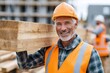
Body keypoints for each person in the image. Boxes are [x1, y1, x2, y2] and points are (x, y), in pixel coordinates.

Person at [16, 2, 104, 73]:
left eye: (67, 23)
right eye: (58, 24)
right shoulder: (49, 50)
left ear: (76, 24)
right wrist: (19, 41)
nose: (63, 28)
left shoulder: (90, 53)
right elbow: (24, 64)